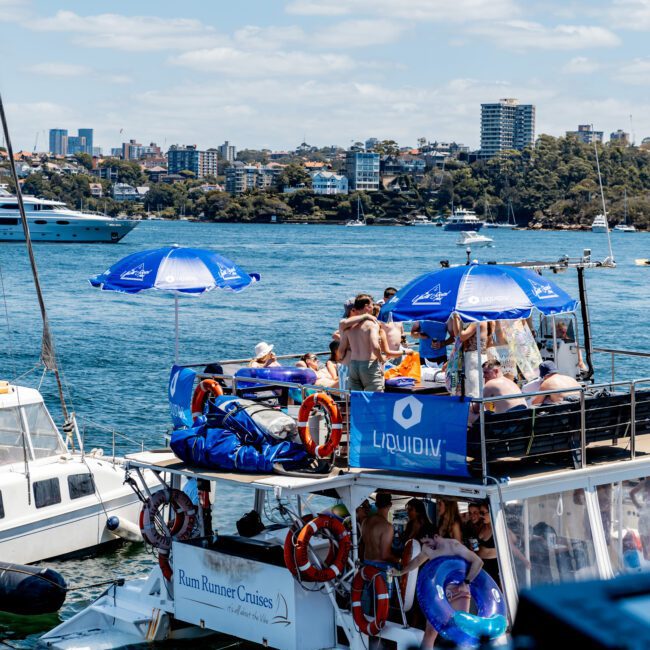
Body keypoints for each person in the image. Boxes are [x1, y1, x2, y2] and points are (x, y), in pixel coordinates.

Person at [390, 534, 483, 649]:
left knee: (460, 632)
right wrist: (401, 572)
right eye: (424, 543)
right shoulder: (427, 548)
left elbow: (478, 562)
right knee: (430, 633)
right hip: (439, 594)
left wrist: (466, 582)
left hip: (459, 592)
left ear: (436, 537)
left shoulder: (453, 546)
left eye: (428, 542)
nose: (427, 546)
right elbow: (417, 561)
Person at [338, 294, 384, 392]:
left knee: (356, 398)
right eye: (371, 305)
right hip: (368, 364)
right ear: (367, 307)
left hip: (353, 365)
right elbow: (375, 346)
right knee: (375, 398)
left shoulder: (349, 325)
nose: (373, 307)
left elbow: (342, 347)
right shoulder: (372, 324)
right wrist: (381, 359)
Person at [451, 316, 495, 398]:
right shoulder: (482, 321)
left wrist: (460, 322)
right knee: (472, 388)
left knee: (474, 390)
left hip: (475, 357)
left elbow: (462, 336)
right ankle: (476, 409)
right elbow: (458, 337)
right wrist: (455, 319)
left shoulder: (477, 321)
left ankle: (476, 409)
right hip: (474, 357)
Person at [630, 479, 650, 559]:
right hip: (645, 517)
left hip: (644, 515)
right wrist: (638, 506)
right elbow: (631, 493)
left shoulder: (645, 483)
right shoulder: (645, 483)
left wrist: (638, 506)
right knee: (646, 544)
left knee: (646, 545)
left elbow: (631, 493)